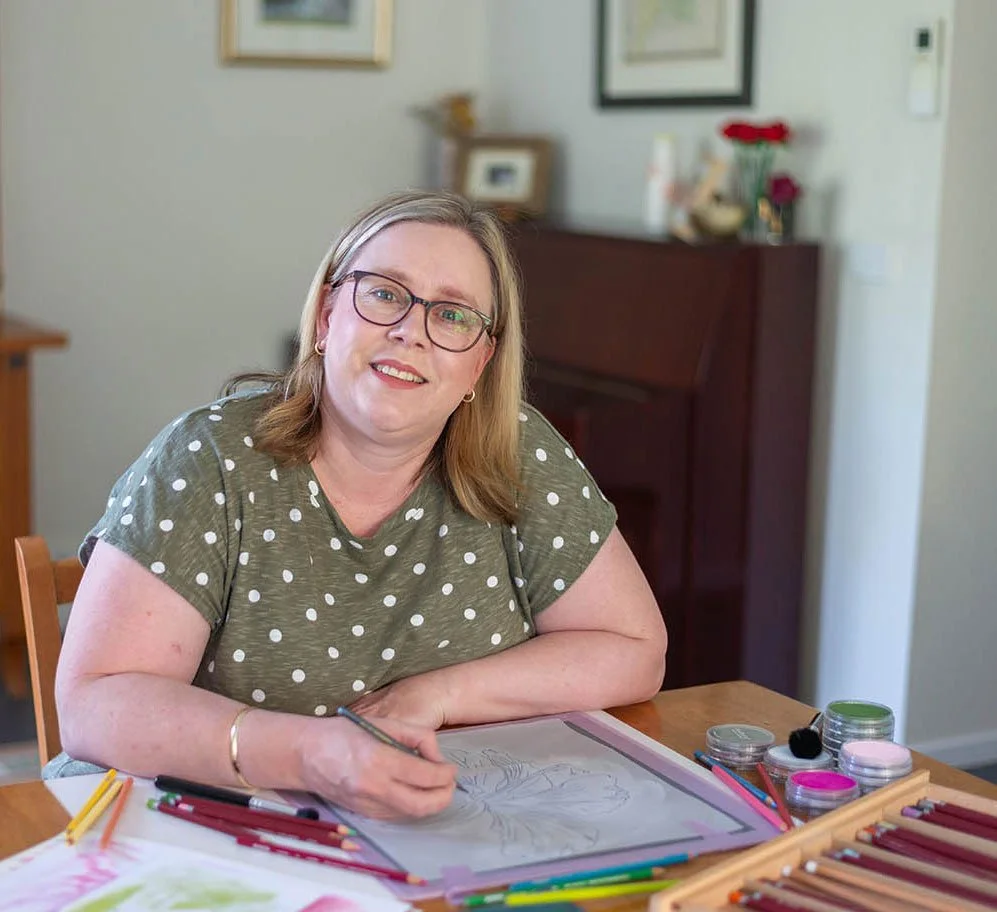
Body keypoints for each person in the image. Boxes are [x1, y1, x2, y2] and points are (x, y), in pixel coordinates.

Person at [53, 190, 667, 820]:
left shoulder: (517, 451)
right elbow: (95, 705)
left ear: (481, 364)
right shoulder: (208, 457)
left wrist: (435, 695)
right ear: (326, 318)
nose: (410, 332)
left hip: (429, 826)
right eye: (384, 293)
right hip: (197, 826)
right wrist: (310, 754)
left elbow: (633, 649)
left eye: (452, 315)